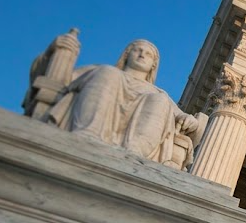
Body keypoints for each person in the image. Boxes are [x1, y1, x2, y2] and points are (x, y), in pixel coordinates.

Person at [47, 39, 202, 166]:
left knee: (159, 101)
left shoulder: (158, 94)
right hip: (86, 135)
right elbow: (59, 80)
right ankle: (88, 133)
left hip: (133, 152)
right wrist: (55, 51)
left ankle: (134, 153)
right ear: (127, 55)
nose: (142, 55)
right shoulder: (100, 71)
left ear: (153, 64)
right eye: (138, 50)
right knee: (109, 73)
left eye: (148, 54)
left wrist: (190, 120)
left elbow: (185, 119)